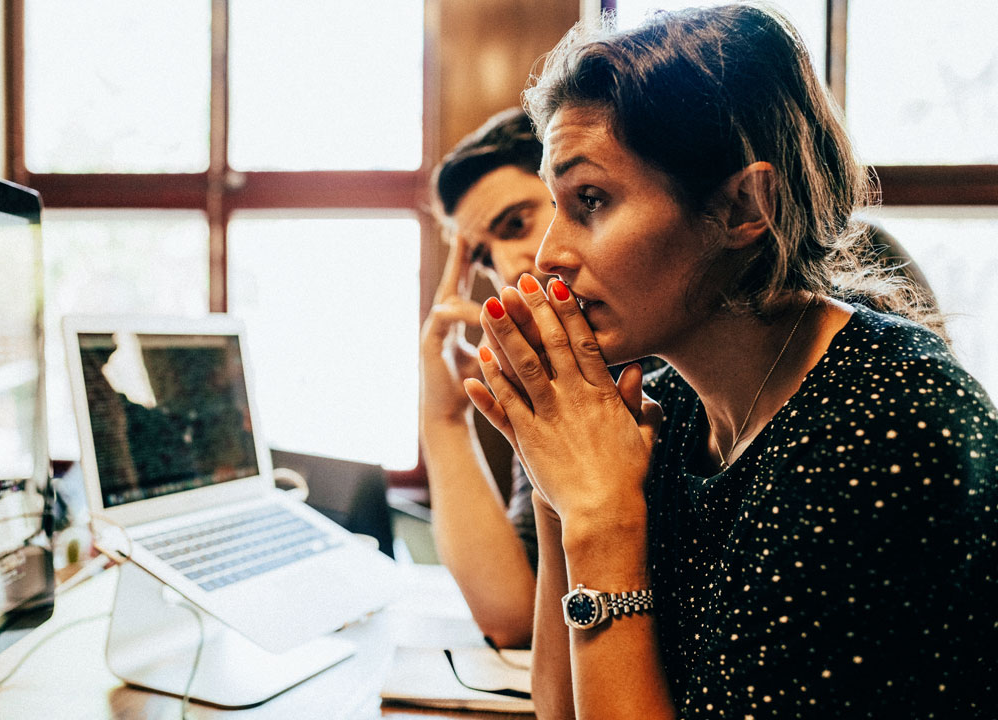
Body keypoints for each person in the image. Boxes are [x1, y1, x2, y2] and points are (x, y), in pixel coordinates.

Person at [463, 5, 996, 719]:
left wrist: (602, 520)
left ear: (745, 206)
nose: (549, 254)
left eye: (591, 200)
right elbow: (562, 712)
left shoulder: (891, 430)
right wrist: (560, 483)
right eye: (556, 206)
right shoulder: (677, 404)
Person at [420, 107, 550, 648]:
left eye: (517, 225)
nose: (510, 269)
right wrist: (445, 417)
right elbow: (513, 617)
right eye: (487, 259)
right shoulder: (552, 377)